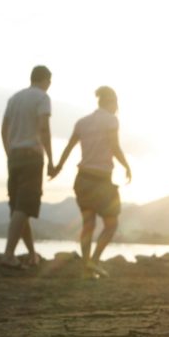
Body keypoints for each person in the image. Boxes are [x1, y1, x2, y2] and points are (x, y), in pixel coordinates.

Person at [51, 86, 131, 277]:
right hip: (102, 181)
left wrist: (58, 167)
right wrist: (126, 165)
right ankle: (93, 262)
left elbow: (69, 147)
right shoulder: (111, 120)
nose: (117, 107)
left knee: (88, 224)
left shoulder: (82, 122)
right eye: (116, 103)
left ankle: (87, 268)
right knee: (111, 225)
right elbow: (114, 146)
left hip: (83, 180)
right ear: (111, 102)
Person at [1, 65, 55, 269]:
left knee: (18, 208)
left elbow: (4, 129)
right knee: (23, 208)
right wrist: (51, 159)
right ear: (46, 80)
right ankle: (8, 255)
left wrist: (9, 153)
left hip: (14, 156)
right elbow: (43, 128)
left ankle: (32, 255)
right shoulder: (42, 97)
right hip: (32, 156)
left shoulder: (14, 99)